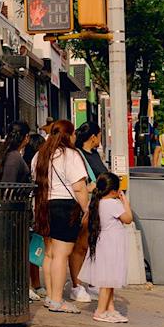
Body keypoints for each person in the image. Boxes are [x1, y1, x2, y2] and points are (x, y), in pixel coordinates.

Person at [30, 119, 91, 313]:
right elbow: (79, 187)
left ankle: (50, 296)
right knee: (61, 255)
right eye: (73, 134)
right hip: (65, 208)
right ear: (68, 135)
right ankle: (57, 300)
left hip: (43, 207)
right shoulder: (71, 155)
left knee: (49, 254)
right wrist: (86, 209)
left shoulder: (40, 155)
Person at [0, 121, 41, 301]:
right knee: (16, 252)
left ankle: (17, 287)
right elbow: (9, 188)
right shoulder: (14, 158)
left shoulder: (7, 155)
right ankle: (16, 288)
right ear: (25, 137)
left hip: (11, 213)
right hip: (13, 214)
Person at [79, 172, 134, 323]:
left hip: (103, 243)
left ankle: (110, 308)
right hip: (112, 245)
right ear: (114, 191)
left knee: (109, 279)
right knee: (107, 281)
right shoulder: (113, 204)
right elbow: (128, 219)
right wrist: (126, 203)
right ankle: (100, 311)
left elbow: (85, 222)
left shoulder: (97, 202)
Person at [67, 121, 109, 303]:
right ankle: (76, 285)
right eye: (99, 135)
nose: (100, 139)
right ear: (93, 137)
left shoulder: (94, 155)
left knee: (92, 245)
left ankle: (89, 282)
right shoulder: (78, 156)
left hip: (98, 206)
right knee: (80, 246)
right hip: (85, 206)